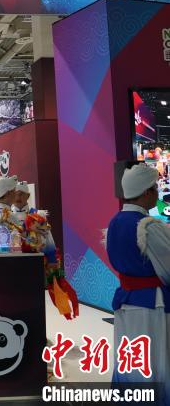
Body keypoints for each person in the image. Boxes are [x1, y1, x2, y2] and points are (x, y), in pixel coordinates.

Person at [106, 163, 170, 403]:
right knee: (155, 358)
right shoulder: (147, 226)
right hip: (152, 303)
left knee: (132, 358)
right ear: (145, 192)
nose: (156, 193)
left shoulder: (115, 221)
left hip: (126, 300)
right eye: (154, 188)